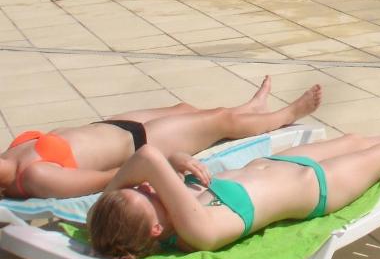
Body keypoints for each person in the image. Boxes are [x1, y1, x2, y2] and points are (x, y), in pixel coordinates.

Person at [87, 100, 380, 258]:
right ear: (156, 228)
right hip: (318, 188)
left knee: (354, 140)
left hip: (278, 165)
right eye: (141, 194)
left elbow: (158, 162)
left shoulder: (174, 208)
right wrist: (115, 195)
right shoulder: (198, 228)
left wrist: (180, 160)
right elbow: (146, 156)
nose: (142, 185)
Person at [0, 78, 321, 200]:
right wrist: (161, 164)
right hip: (140, 142)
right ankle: (287, 114)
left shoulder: (9, 156)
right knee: (220, 121)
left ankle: (249, 109)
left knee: (187, 109)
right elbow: (107, 178)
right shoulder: (36, 176)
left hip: (115, 124)